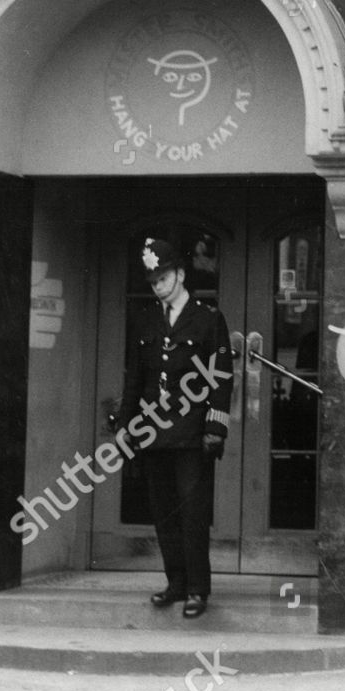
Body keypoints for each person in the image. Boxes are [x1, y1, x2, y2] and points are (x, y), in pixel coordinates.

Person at [121, 237, 236, 619]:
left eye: (164, 276)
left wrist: (215, 428)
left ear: (181, 275)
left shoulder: (207, 319)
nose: (158, 285)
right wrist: (127, 426)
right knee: (164, 512)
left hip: (191, 433)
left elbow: (222, 377)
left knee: (192, 512)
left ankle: (198, 590)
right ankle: (175, 583)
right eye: (153, 280)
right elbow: (135, 378)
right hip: (154, 432)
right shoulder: (146, 319)